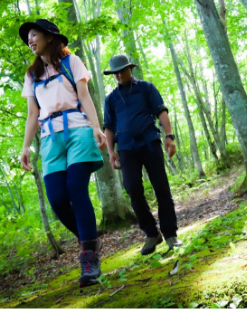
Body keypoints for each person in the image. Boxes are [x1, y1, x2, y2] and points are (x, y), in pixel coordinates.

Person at [19, 19, 106, 287]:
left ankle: (89, 259)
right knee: (57, 199)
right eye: (28, 38)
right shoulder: (32, 75)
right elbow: (33, 114)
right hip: (50, 138)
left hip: (78, 130)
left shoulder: (71, 62)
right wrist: (25, 147)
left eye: (34, 35)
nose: (30, 40)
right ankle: (88, 239)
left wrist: (96, 127)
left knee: (75, 189)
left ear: (49, 36)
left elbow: (85, 96)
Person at [103, 55, 182, 255]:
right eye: (115, 72)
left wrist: (169, 136)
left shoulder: (146, 88)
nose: (119, 75)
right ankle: (151, 233)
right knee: (133, 188)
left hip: (149, 142)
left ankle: (171, 234)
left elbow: (161, 111)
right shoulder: (111, 99)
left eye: (122, 70)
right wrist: (111, 152)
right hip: (126, 148)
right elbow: (109, 127)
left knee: (161, 187)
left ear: (130, 68)